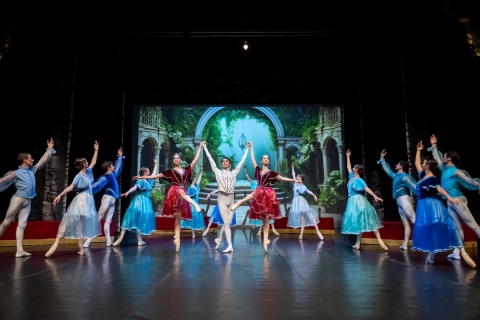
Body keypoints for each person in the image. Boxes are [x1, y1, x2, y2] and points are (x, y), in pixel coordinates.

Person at [414, 141, 475, 267]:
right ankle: (432, 253)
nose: (422, 164)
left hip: (431, 205)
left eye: (424, 163)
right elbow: (416, 163)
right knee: (429, 229)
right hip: (422, 206)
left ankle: (462, 251)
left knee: (442, 227)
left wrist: (449, 198)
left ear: (428, 166)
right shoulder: (422, 175)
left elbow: (439, 189)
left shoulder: (432, 178)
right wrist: (418, 150)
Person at [133, 143, 203, 252]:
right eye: (174, 158)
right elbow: (156, 176)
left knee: (178, 219)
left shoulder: (187, 170)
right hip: (174, 191)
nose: (175, 159)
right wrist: (142, 176)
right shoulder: (170, 172)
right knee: (180, 191)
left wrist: (200, 147)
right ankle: (195, 204)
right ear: (173, 161)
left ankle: (177, 240)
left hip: (182, 192)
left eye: (177, 158)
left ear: (180, 160)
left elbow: (195, 159)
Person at [230, 142, 296, 253]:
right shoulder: (258, 170)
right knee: (258, 192)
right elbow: (252, 160)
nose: (265, 159)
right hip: (259, 192)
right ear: (261, 161)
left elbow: (282, 178)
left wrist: (294, 180)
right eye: (264, 158)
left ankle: (265, 240)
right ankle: (239, 202)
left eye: (267, 158)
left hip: (267, 194)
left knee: (266, 221)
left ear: (269, 161)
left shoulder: (271, 173)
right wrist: (252, 148)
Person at [0, 138, 55, 258]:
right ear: (25, 160)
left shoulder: (32, 170)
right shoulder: (16, 173)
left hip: (27, 201)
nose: (33, 160)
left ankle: (19, 251)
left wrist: (49, 149)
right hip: (18, 199)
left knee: (22, 224)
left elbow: (42, 162)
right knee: (6, 222)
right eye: (30, 158)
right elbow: (3, 181)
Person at [429, 134, 480, 260]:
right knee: (456, 227)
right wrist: (434, 146)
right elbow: (438, 157)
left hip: (457, 201)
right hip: (450, 202)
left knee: (473, 225)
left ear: (449, 159)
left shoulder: (456, 171)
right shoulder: (445, 170)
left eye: (445, 156)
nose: (443, 158)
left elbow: (471, 182)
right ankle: (457, 252)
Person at [46, 142, 101, 257]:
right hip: (81, 200)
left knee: (80, 226)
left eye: (86, 161)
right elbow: (71, 187)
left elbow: (94, 162)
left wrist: (96, 150)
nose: (87, 163)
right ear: (82, 165)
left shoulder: (88, 172)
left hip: (88, 200)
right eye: (85, 161)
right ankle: (55, 244)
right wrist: (60, 195)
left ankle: (81, 249)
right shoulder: (79, 176)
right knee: (69, 221)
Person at [203, 141, 250, 253]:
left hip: (231, 199)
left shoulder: (234, 173)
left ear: (229, 164)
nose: (224, 162)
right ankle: (229, 246)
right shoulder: (217, 172)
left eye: (226, 161)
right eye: (223, 161)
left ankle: (219, 239)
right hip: (222, 199)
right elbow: (211, 160)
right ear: (221, 164)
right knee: (226, 222)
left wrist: (247, 149)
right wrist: (205, 147)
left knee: (228, 223)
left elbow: (242, 161)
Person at [341, 149, 388, 251]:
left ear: (357, 170)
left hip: (359, 201)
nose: (352, 168)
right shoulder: (351, 177)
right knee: (359, 222)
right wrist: (348, 156)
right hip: (352, 201)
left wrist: (375, 196)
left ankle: (380, 241)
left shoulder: (359, 180)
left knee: (368, 219)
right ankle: (357, 244)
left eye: (354, 168)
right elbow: (348, 167)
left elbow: (367, 188)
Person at [83, 147, 124, 248]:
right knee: (98, 219)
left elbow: (118, 168)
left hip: (113, 200)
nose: (114, 167)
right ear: (109, 167)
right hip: (107, 198)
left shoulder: (113, 175)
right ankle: (88, 240)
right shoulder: (104, 177)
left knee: (108, 221)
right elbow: (96, 185)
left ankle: (108, 241)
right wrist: (85, 190)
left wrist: (119, 157)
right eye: (112, 166)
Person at [378, 149, 417, 250]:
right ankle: (405, 244)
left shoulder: (405, 177)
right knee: (405, 223)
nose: (396, 165)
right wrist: (382, 158)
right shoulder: (396, 176)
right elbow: (388, 170)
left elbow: (414, 186)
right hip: (399, 201)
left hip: (404, 199)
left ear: (401, 166)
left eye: (398, 164)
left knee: (414, 220)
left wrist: (421, 191)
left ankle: (424, 241)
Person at [113, 159, 158, 246]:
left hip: (146, 201)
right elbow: (134, 188)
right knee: (130, 217)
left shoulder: (148, 181)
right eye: (148, 171)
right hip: (140, 201)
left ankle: (140, 240)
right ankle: (120, 238)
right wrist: (127, 192)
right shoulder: (140, 181)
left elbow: (154, 174)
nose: (149, 172)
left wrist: (156, 163)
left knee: (140, 220)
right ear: (145, 172)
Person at [287, 162, 323, 240]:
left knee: (309, 215)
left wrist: (314, 195)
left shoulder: (303, 186)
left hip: (301, 201)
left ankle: (318, 231)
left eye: (297, 176)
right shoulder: (295, 183)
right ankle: (301, 234)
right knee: (302, 218)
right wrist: (292, 167)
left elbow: (308, 191)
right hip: (296, 201)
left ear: (300, 178)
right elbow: (293, 175)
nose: (296, 177)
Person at [244, 166, 279, 236]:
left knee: (269, 215)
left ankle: (273, 229)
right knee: (260, 216)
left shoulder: (265, 185)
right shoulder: (255, 185)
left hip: (266, 201)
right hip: (259, 202)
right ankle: (260, 231)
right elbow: (248, 178)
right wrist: (245, 171)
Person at [180, 166, 205, 238]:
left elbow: (199, 179)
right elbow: (187, 197)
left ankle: (193, 232)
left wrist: (201, 172)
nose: (196, 179)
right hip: (192, 204)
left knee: (196, 217)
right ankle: (191, 232)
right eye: (195, 179)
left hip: (196, 203)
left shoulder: (196, 186)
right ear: (193, 180)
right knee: (192, 216)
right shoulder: (190, 188)